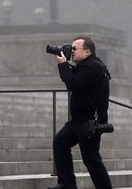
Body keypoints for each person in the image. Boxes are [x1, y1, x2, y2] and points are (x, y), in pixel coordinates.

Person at [47, 36, 112, 189]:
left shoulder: (93, 67)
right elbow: (73, 80)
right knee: (60, 142)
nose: (71, 50)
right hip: (77, 121)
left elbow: (73, 84)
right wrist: (64, 63)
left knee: (91, 160)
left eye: (75, 48)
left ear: (87, 52)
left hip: (89, 123)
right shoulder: (86, 66)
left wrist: (63, 64)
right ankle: (66, 183)